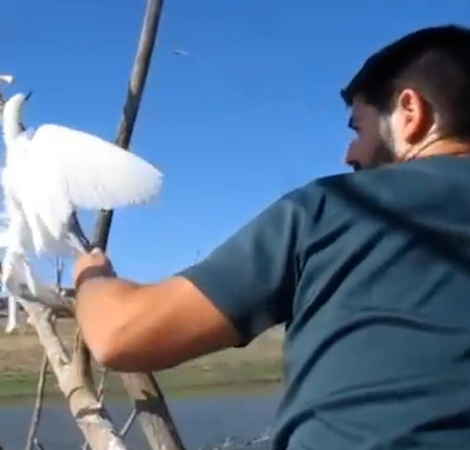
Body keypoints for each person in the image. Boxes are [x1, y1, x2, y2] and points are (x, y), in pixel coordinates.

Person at [72, 24, 470, 450]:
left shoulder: (337, 207)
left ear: (411, 112)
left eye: (359, 129)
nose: (349, 155)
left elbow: (121, 336)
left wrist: (92, 277)